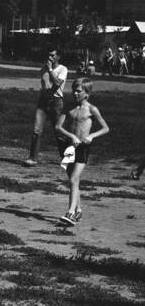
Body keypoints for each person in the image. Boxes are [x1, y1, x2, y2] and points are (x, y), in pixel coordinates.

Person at [55, 78, 109, 225]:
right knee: (73, 180)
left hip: (83, 148)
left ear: (87, 93)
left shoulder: (92, 109)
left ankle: (70, 213)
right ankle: (78, 209)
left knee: (74, 179)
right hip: (68, 146)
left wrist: (91, 136)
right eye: (74, 90)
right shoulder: (69, 108)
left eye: (79, 91)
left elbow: (105, 128)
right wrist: (71, 136)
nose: (75, 93)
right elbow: (58, 127)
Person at [23, 47, 68, 167]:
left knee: (58, 130)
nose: (50, 57)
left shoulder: (63, 69)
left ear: (58, 57)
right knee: (36, 130)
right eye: (49, 55)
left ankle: (65, 158)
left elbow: (58, 83)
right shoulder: (44, 69)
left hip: (56, 102)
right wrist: (46, 69)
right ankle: (33, 158)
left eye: (53, 55)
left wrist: (50, 69)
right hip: (43, 102)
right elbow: (44, 84)